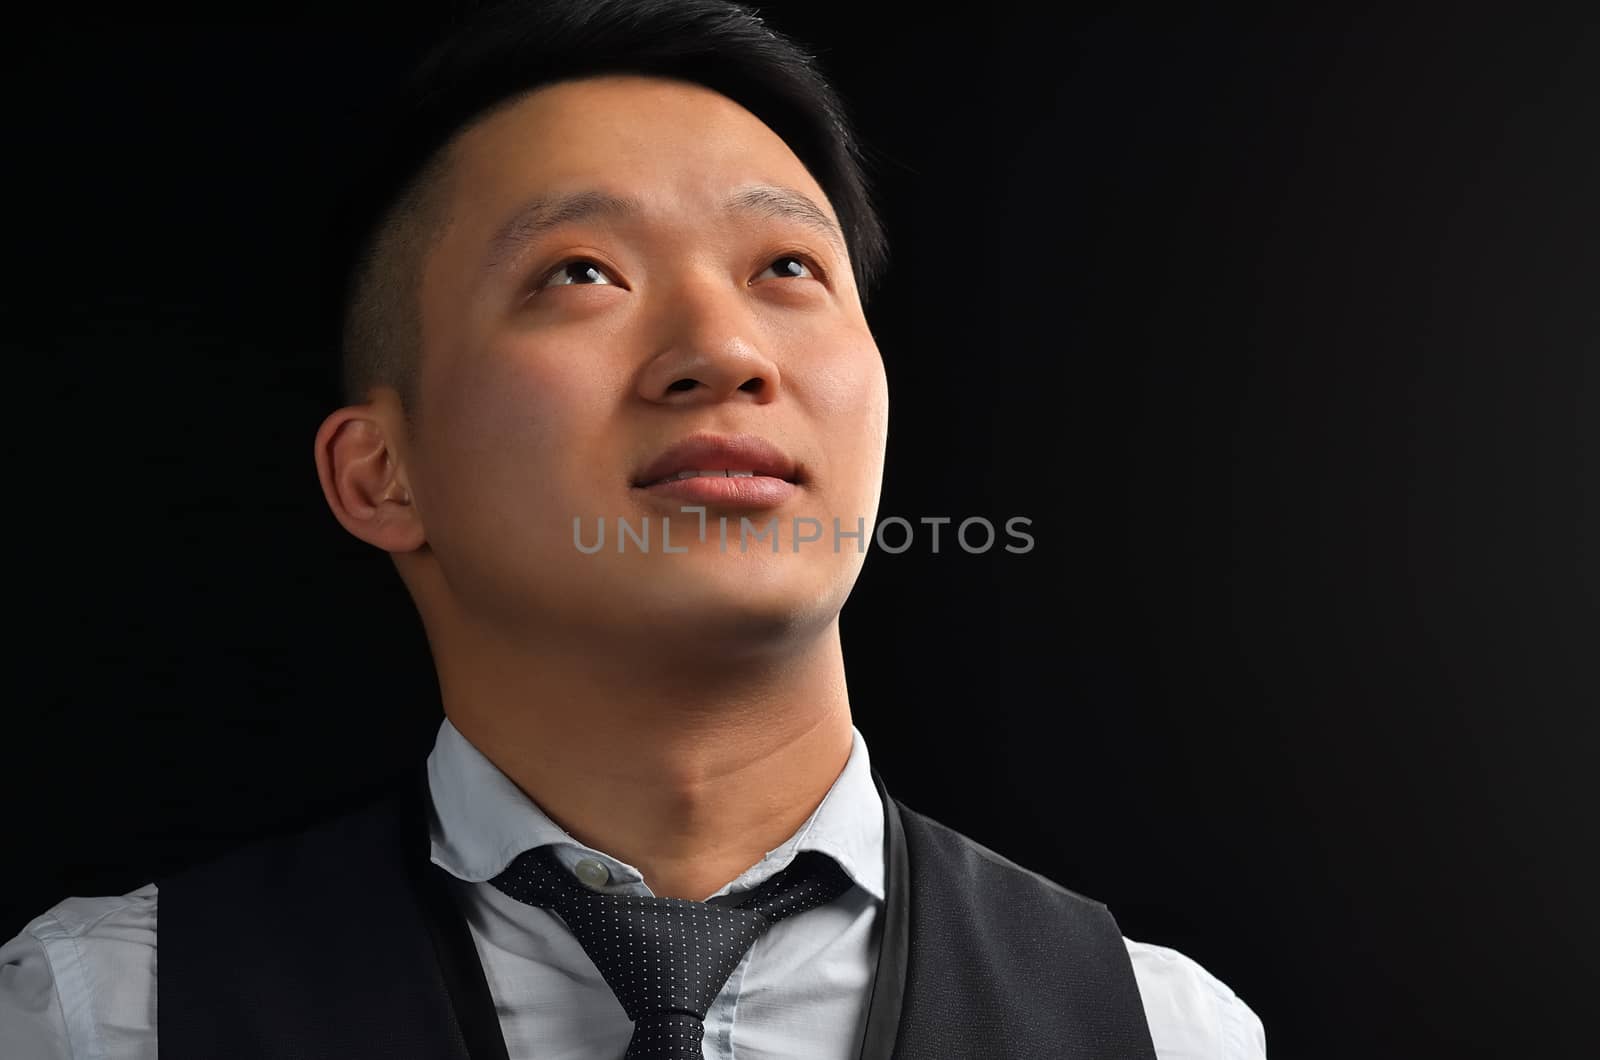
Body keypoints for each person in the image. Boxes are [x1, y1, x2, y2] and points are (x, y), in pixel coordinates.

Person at [0, 1, 1266, 1056]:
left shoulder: (1166, 1032)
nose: (722, 350)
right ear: (382, 473)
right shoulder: (101, 1018)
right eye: (581, 273)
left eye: (786, 269)